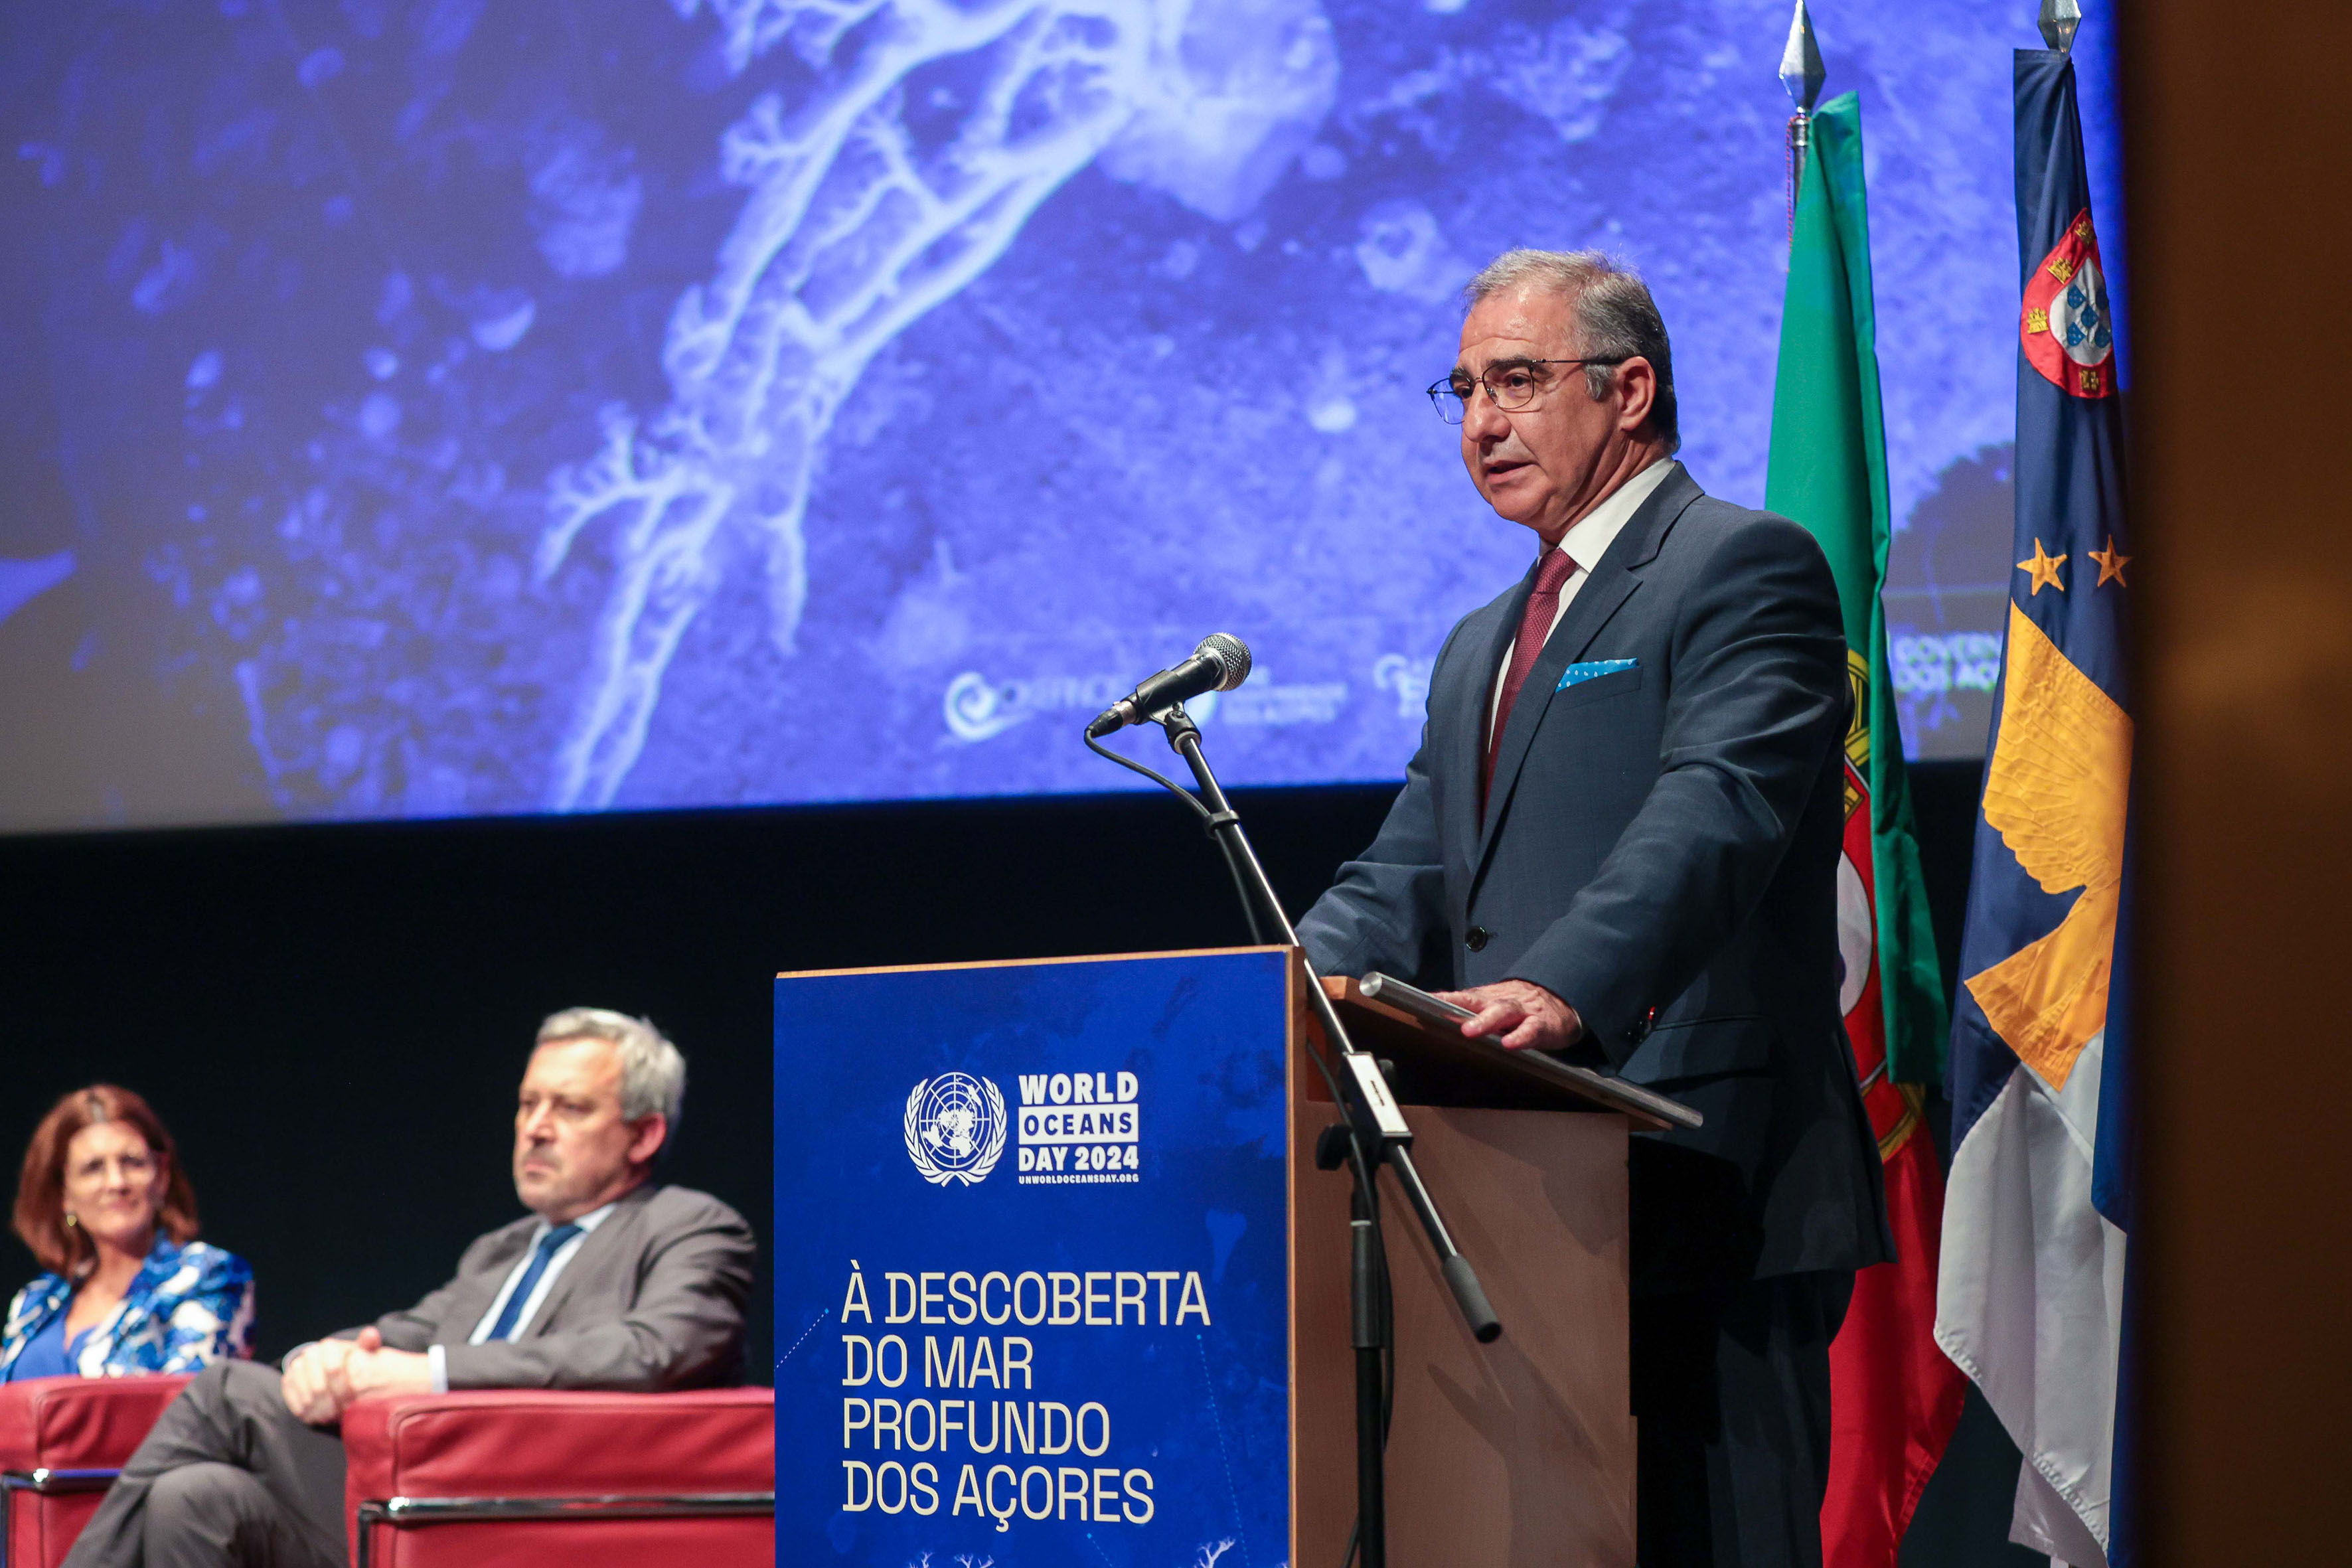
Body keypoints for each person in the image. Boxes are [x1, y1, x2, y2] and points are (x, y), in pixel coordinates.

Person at [1295, 249, 1890, 1568]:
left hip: (1704, 1176)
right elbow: (1406, 871)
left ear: (1628, 390)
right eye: (1459, 389)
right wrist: (1267, 992)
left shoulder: (1743, 567)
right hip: (1517, 1189)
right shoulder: (1478, 639)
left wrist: (1564, 979)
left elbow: (1715, 807)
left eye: (1514, 380)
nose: (1478, 423)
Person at [64, 1008, 755, 1568]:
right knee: (194, 1497)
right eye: (527, 1104)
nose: (535, 1128)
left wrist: (430, 1374)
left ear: (644, 1134)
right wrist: (322, 1359)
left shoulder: (691, 1226)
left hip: (521, 1504)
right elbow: (404, 1332)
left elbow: (655, 1351)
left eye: (569, 1108)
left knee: (222, 1391)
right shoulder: (505, 1248)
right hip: (414, 1491)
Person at [3, 1085, 254, 1382]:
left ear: (161, 1177)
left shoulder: (208, 1276)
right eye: (93, 1168)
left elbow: (190, 1410)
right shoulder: (35, 1302)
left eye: (132, 1163)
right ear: (64, 1194)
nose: (116, 1182)